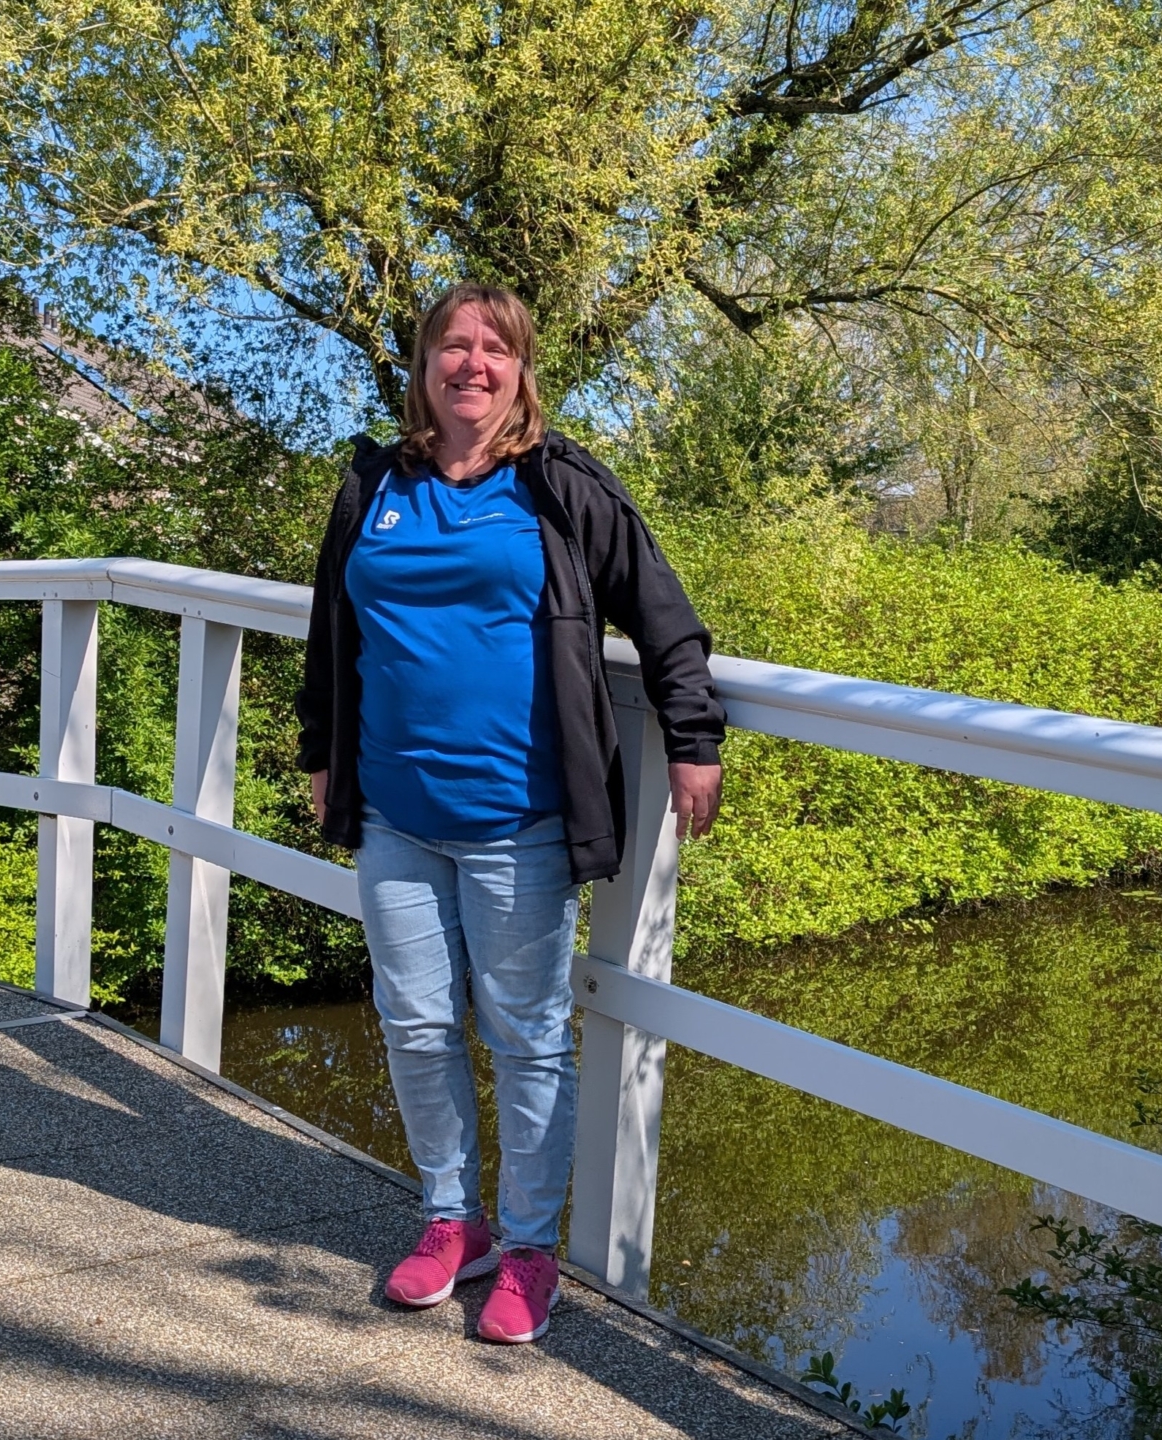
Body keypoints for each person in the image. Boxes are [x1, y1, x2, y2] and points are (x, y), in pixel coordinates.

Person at [295, 283, 725, 1344]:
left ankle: (530, 1250)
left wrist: (693, 737)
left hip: (518, 821)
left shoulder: (558, 485)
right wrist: (318, 754)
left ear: (521, 369)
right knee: (415, 1025)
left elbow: (663, 617)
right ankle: (453, 1222)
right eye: (453, 344)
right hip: (395, 814)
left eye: (495, 348)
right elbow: (327, 634)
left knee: (527, 1038)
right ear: (424, 365)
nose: (472, 363)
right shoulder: (372, 483)